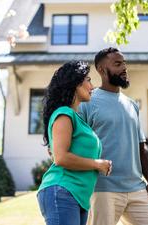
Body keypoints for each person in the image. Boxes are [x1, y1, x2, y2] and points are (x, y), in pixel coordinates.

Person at [79, 47, 148, 225]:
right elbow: (77, 145)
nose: (124, 68)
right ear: (101, 70)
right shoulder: (87, 103)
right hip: (103, 188)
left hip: (136, 187)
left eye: (124, 63)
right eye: (117, 64)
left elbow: (141, 147)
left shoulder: (132, 105)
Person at [37, 61, 112, 225]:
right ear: (76, 83)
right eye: (89, 80)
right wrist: (97, 164)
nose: (92, 86)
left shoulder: (76, 117)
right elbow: (61, 158)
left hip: (77, 196)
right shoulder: (64, 114)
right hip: (63, 190)